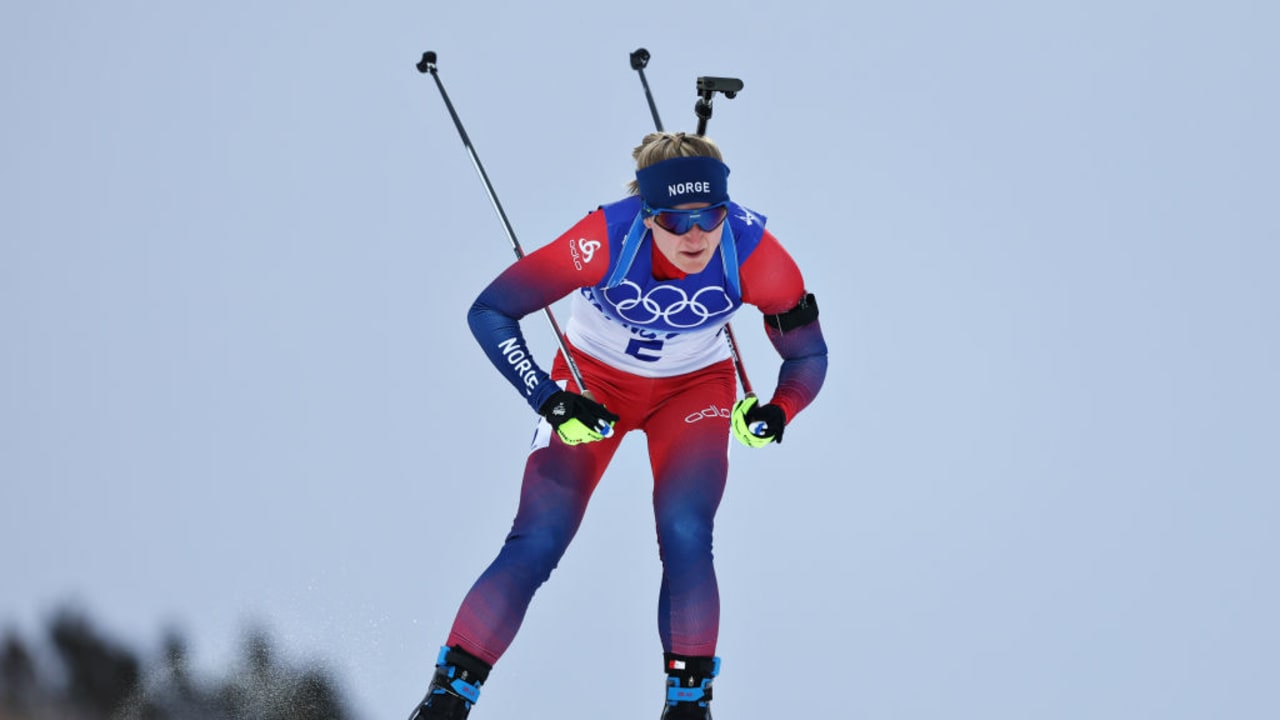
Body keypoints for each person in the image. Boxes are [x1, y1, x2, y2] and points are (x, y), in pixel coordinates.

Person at [408, 131, 828, 720]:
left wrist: (778, 411)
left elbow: (808, 356)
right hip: (591, 384)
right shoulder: (603, 239)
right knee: (539, 536)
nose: (695, 236)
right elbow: (490, 310)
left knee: (686, 532)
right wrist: (550, 400)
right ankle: (447, 699)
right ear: (648, 214)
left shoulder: (758, 255)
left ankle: (688, 707)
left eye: (709, 216)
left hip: (693, 390)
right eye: (675, 221)